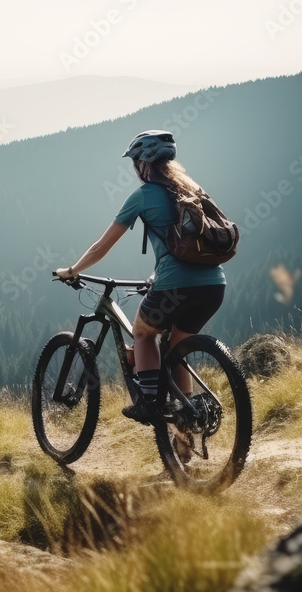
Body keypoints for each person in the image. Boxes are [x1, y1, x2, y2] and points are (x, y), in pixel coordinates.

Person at [54, 130, 227, 424]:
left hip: (175, 284)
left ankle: (149, 404)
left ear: (144, 163)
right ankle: (185, 424)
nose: (135, 168)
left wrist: (72, 270)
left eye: (135, 162)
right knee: (176, 347)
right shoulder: (193, 189)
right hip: (213, 285)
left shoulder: (144, 196)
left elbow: (101, 247)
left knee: (143, 334)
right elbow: (187, 245)